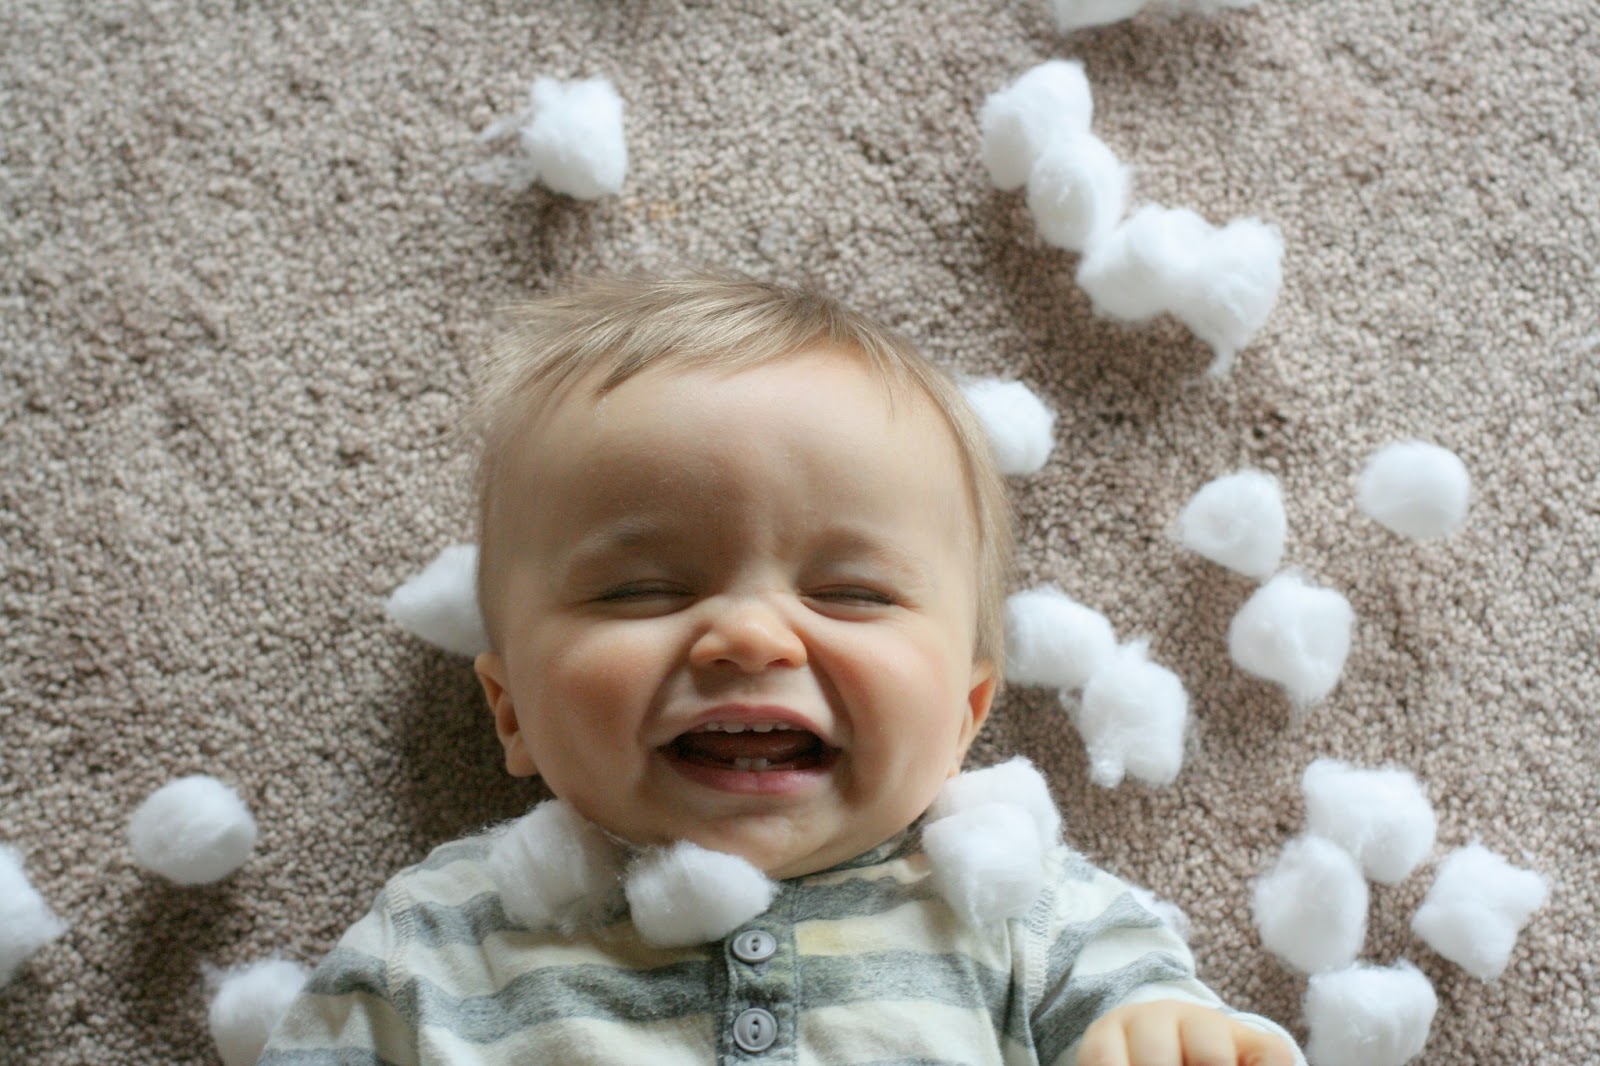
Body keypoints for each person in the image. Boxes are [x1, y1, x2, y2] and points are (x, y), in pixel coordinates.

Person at [261, 273, 1303, 1065]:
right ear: (512, 710)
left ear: (963, 717)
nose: (751, 638)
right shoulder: (442, 937)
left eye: (849, 592)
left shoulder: (1017, 905)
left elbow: (1157, 1016)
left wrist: (1161, 1030)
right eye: (639, 590)